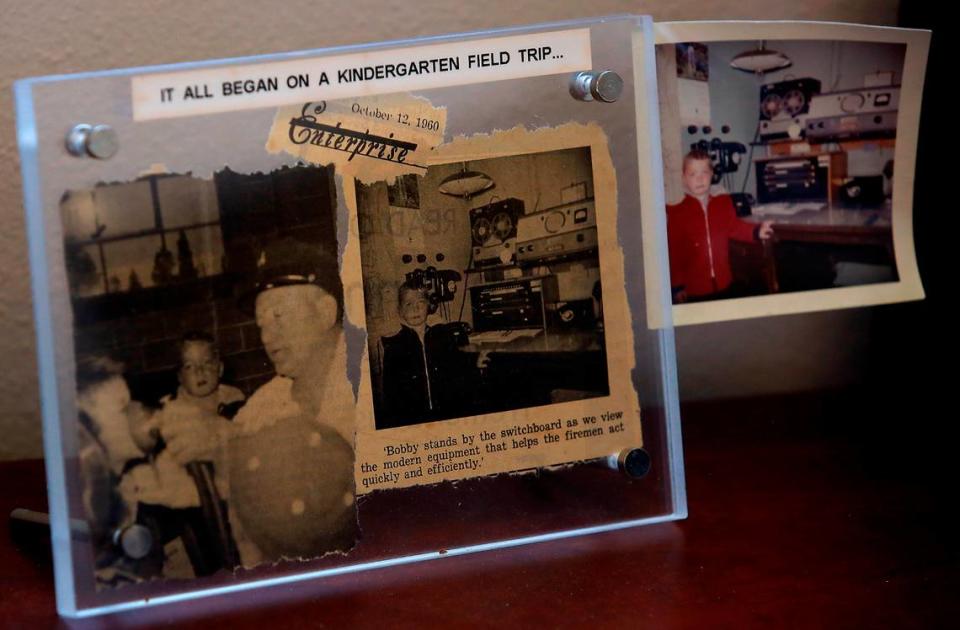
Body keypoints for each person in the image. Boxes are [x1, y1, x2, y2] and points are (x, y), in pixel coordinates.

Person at [161, 238, 356, 567]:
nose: (266, 335)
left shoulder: (372, 382)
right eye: (261, 323)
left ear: (325, 311)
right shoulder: (266, 403)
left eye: (278, 316)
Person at [121, 332, 245, 578]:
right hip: (187, 500)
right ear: (179, 376)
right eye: (190, 366)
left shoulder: (234, 399)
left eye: (207, 364)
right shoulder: (170, 408)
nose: (200, 373)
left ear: (219, 368)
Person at [667, 149, 774, 302]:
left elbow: (736, 227)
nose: (700, 179)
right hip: (694, 290)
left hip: (725, 284)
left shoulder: (723, 203)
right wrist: (677, 286)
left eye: (704, 172)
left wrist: (757, 231)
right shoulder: (677, 213)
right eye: (693, 174)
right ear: (684, 178)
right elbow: (674, 253)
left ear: (712, 174)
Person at [376, 281, 484, 428]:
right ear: (400, 310)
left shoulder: (444, 337)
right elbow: (391, 394)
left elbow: (463, 379)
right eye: (408, 304)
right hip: (414, 420)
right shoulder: (394, 347)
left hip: (449, 416)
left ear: (429, 306)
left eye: (421, 302)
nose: (416, 308)